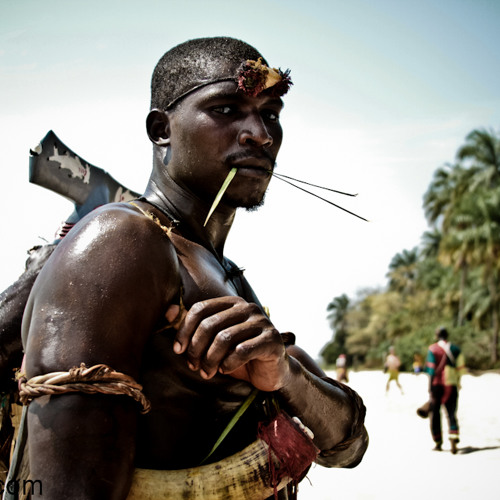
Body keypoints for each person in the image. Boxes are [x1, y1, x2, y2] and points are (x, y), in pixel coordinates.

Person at [12, 37, 368, 499]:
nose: (259, 132)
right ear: (162, 129)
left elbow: (349, 444)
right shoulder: (124, 242)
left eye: (271, 113)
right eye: (225, 109)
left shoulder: (227, 274)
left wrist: (285, 376)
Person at [425, 327, 466, 454]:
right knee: (451, 413)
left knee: (435, 413)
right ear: (447, 335)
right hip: (451, 384)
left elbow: (431, 370)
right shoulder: (455, 349)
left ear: (437, 336)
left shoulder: (433, 349)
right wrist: (458, 382)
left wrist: (430, 386)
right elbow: (461, 369)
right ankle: (453, 439)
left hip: (437, 384)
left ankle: (438, 442)